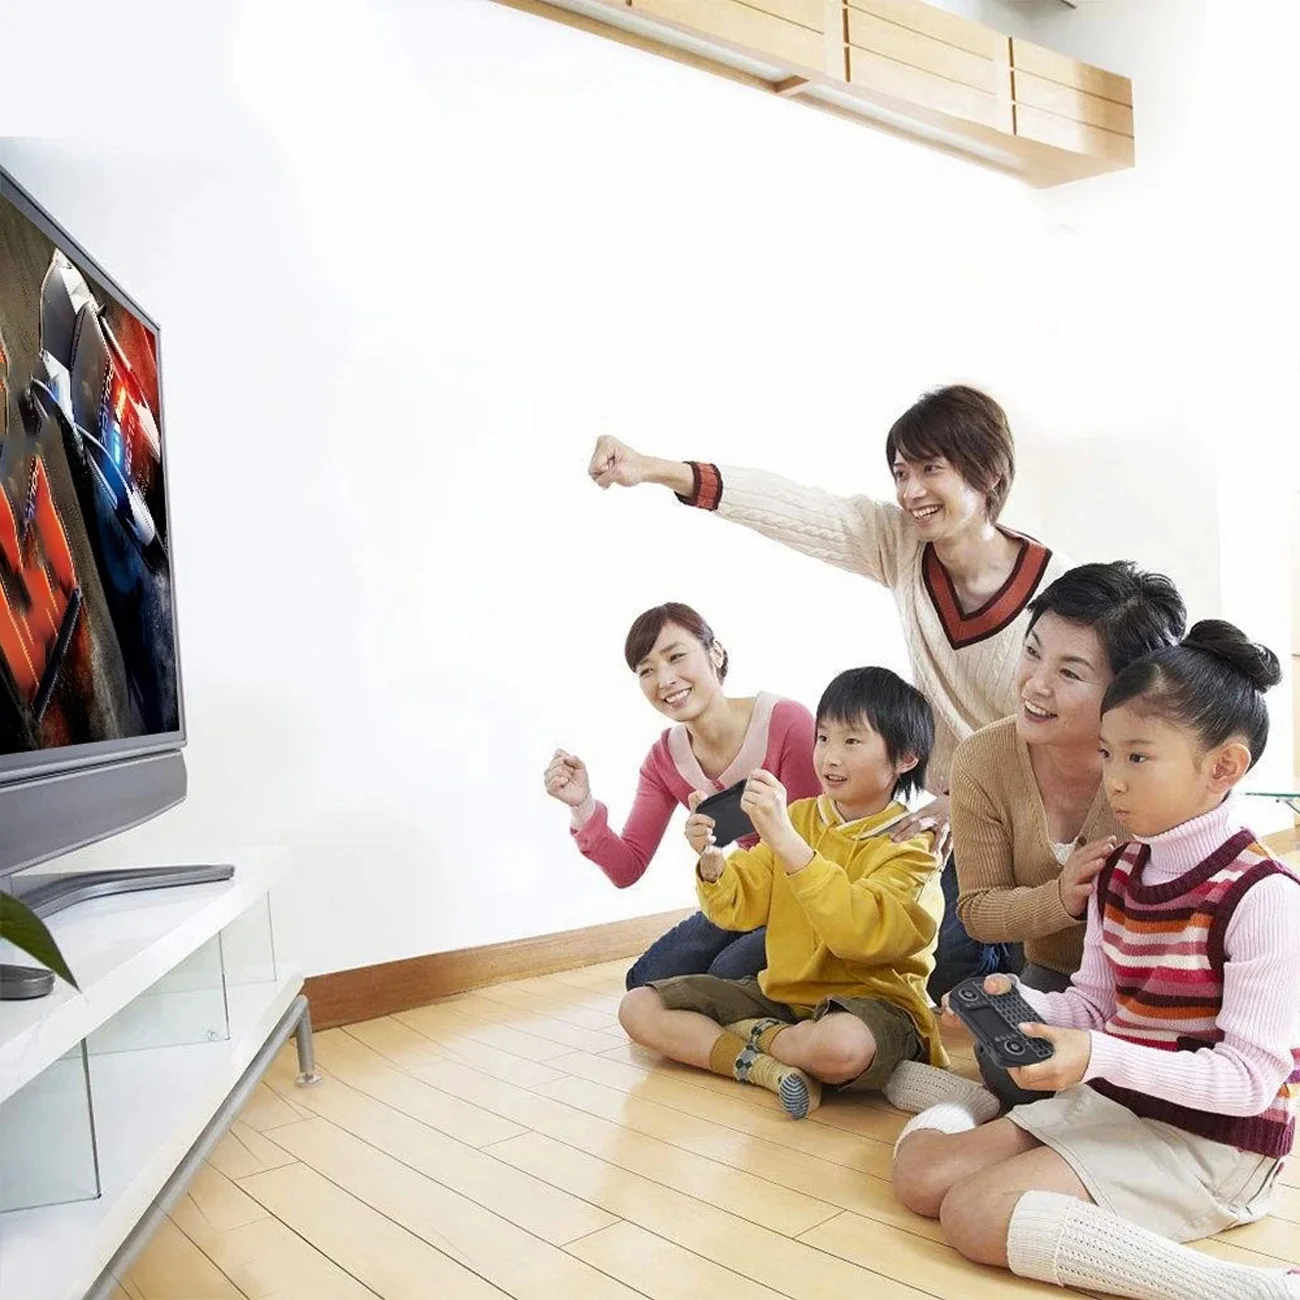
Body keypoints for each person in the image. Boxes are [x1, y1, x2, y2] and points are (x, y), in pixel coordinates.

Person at [587, 385, 1073, 997]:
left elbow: (1068, 736)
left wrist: (967, 799)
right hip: (934, 820)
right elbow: (794, 508)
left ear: (989, 472)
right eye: (901, 472)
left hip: (1025, 814)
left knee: (953, 971)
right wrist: (653, 469)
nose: (911, 492)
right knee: (679, 979)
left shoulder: (1057, 592)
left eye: (931, 469)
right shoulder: (901, 545)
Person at [891, 621, 1300, 1300]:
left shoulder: (1265, 896)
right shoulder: (1119, 871)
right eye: (1108, 753)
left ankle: (1254, 1291)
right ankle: (970, 1101)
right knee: (922, 1178)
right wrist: (1022, 1003)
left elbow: (1251, 1082)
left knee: (975, 1214)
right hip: (1118, 1102)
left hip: (1216, 1141)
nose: (1114, 780)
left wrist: (1098, 1056)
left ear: (1224, 767)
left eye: (1138, 757)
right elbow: (1094, 1005)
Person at [884, 561, 1187, 1115]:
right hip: (1057, 976)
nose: (1035, 684)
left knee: (1156, 1075)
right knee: (1014, 1068)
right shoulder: (984, 758)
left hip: (1157, 979)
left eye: (1071, 673)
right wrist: (1061, 899)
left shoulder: (1163, 769)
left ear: (1126, 690)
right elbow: (978, 910)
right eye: (1032, 652)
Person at [617, 666, 946, 1119]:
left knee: (842, 1045)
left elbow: (860, 935)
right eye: (823, 738)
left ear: (905, 758)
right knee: (638, 1006)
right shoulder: (800, 816)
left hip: (874, 1005)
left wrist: (788, 842)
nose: (830, 757)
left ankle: (754, 1038)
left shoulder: (914, 846)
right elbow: (740, 907)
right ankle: (770, 1069)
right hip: (782, 999)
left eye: (852, 741)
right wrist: (712, 862)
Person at [544, 602, 819, 989]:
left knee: (725, 975)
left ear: (715, 653)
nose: (665, 679)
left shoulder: (787, 722)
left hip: (809, 893)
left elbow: (815, 842)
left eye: (676, 657)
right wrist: (582, 807)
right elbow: (627, 867)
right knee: (645, 980)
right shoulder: (664, 759)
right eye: (647, 670)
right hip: (743, 891)